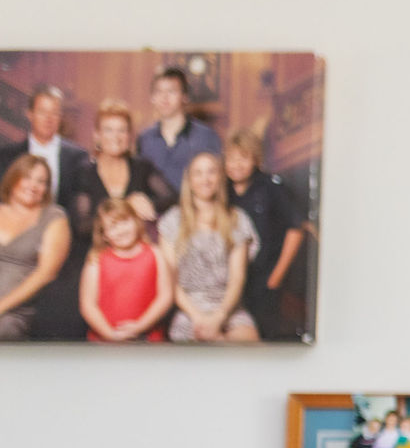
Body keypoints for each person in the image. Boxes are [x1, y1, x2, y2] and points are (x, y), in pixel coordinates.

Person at [223, 128, 311, 341]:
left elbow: (296, 229)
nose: (236, 165)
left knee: (263, 339)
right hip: (230, 281)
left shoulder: (271, 187)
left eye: (243, 158)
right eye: (231, 159)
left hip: (265, 280)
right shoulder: (222, 190)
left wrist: (275, 278)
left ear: (255, 160)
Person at [162, 152, 259, 343]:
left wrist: (219, 317)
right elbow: (171, 282)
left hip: (228, 307)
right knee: (194, 345)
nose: (205, 179)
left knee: (249, 341)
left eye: (211, 172)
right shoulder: (172, 220)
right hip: (189, 310)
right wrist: (198, 318)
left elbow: (237, 278)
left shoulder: (237, 218)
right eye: (198, 173)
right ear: (189, 180)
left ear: (220, 178)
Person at [77, 198, 171, 342]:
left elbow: (165, 296)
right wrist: (110, 334)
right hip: (105, 342)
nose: (121, 230)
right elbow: (88, 305)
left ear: (136, 221)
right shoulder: (96, 261)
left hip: (149, 340)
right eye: (113, 227)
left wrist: (140, 326)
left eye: (125, 222)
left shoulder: (155, 254)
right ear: (104, 234)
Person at [72, 100, 176, 230]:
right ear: (97, 135)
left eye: (122, 130)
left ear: (129, 136)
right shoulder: (84, 172)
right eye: (108, 130)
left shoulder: (142, 167)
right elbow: (81, 225)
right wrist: (127, 207)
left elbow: (172, 198)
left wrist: (149, 204)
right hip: (96, 242)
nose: (116, 137)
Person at [0, 156, 71, 340]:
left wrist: (1, 306)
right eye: (27, 177)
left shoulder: (53, 217)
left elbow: (45, 273)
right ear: (14, 178)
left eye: (41, 182)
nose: (33, 186)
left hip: (16, 310)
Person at [134, 67, 221, 194]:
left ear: (185, 96)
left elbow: (217, 181)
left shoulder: (206, 136)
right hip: (155, 206)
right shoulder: (144, 139)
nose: (164, 98)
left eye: (171, 91)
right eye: (159, 91)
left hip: (193, 205)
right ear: (152, 97)